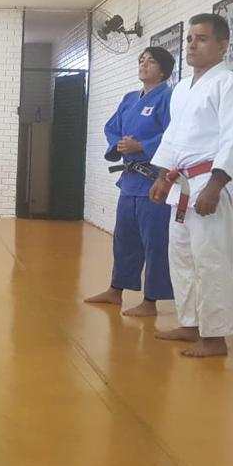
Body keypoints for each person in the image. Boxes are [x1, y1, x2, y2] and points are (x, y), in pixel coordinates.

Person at [150, 14, 233, 358]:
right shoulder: (183, 89)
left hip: (210, 183)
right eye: (189, 39)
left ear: (222, 46)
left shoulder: (232, 85)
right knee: (182, 257)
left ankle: (215, 338)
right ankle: (190, 324)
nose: (192, 45)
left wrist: (216, 184)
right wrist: (161, 175)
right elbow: (173, 136)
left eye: (201, 39)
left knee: (211, 261)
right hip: (182, 184)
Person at [85, 47, 174, 317]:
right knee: (124, 238)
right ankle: (116, 290)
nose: (143, 65)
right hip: (130, 181)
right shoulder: (129, 99)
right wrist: (119, 145)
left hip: (155, 179)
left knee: (155, 241)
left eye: (151, 61)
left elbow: (173, 133)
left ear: (164, 70)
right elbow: (112, 127)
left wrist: (142, 146)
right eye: (141, 60)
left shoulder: (169, 98)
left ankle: (151, 300)